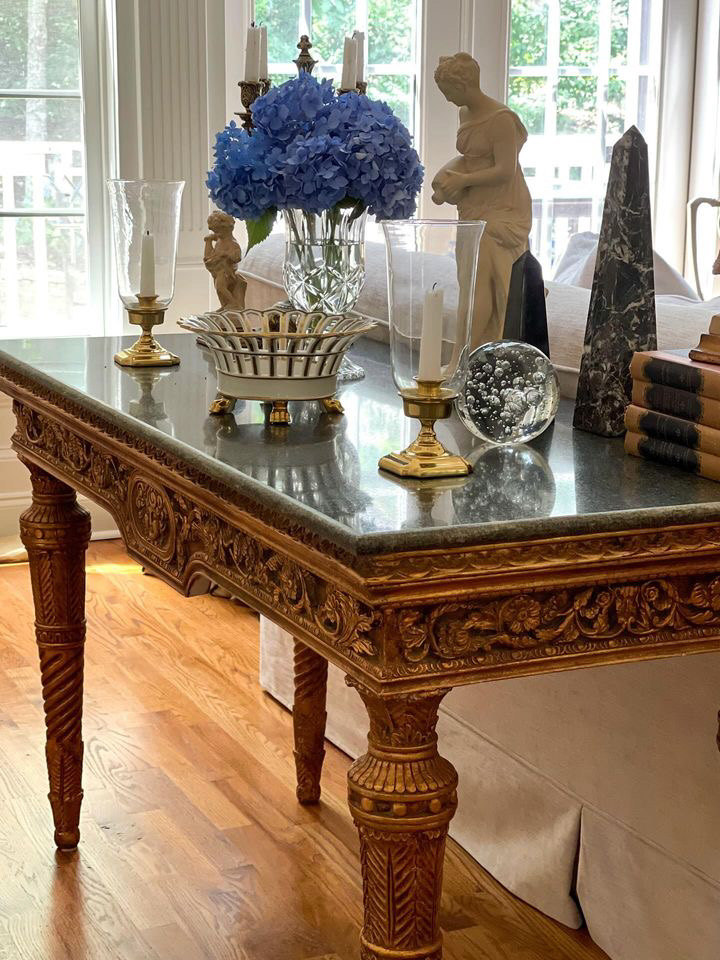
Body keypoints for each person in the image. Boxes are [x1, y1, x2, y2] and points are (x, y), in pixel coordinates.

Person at [432, 52, 532, 347]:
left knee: (481, 287)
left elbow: (504, 171)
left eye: (448, 92)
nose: (448, 99)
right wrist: (447, 179)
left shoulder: (502, 120)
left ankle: (465, 356)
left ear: (464, 85)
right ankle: (470, 354)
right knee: (468, 282)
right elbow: (470, 156)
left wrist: (463, 180)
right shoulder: (465, 112)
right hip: (474, 205)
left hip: (502, 208)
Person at [203, 210, 246, 310]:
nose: (216, 233)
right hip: (217, 271)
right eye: (214, 231)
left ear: (227, 228)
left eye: (218, 231)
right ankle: (225, 305)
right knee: (218, 289)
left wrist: (226, 254)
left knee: (220, 288)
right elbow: (207, 257)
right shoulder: (219, 240)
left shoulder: (232, 243)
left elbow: (237, 257)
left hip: (227, 272)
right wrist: (208, 241)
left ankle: (234, 304)